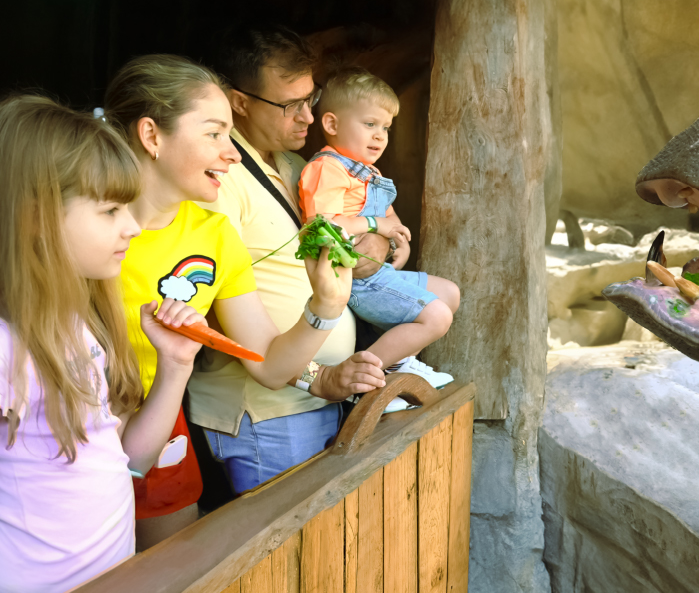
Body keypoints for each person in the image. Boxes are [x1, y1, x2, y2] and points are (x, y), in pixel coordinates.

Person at [104, 54, 354, 525]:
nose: (234, 153)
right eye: (215, 133)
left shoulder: (215, 235)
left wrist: (326, 305)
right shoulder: (78, 226)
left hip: (159, 424)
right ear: (152, 135)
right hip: (66, 427)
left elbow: (269, 365)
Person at [0, 95, 204, 593]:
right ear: (35, 218)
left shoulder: (77, 322)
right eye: (110, 210)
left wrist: (175, 366)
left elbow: (128, 462)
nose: (131, 228)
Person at [190, 27, 385, 491]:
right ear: (239, 102)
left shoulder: (299, 167)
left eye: (310, 97)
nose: (308, 116)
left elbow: (369, 243)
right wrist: (321, 376)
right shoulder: (219, 182)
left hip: (320, 397)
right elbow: (223, 312)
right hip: (266, 412)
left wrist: (381, 245)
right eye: (289, 104)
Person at [298, 70, 459, 397]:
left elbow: (386, 212)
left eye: (385, 127)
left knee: (450, 294)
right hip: (352, 279)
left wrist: (396, 238)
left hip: (378, 271)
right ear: (331, 125)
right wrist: (375, 227)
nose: (380, 136)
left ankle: (397, 363)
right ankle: (367, 378)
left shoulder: (369, 172)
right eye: (369, 124)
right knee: (437, 317)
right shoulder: (326, 168)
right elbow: (322, 225)